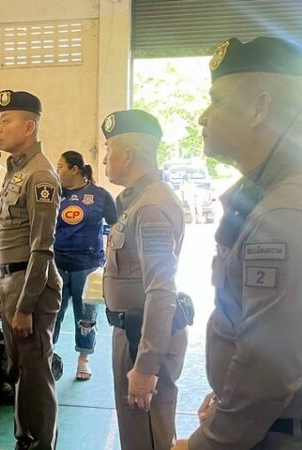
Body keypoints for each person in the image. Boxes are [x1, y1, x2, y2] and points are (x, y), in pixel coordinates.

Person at [173, 37, 302, 450]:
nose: (202, 116)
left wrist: (206, 443)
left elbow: (269, 367)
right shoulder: (261, 195)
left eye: (216, 101)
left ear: (259, 108)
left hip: (275, 433)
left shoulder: (283, 212)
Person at [101, 109, 187, 450]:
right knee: (136, 434)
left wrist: (146, 366)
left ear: (127, 155)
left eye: (108, 149)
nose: (104, 159)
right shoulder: (137, 200)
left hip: (142, 338)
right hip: (132, 332)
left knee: (146, 437)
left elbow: (161, 288)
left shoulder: (151, 207)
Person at [0, 90, 61, 450]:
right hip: (11, 280)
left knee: (34, 373)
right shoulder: (15, 170)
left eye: (5, 121)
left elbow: (41, 248)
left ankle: (41, 444)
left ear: (29, 127)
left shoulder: (39, 175)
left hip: (32, 286)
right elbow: (7, 236)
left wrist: (26, 306)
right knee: (18, 371)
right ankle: (25, 439)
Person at [52, 150, 117, 381]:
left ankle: (84, 358)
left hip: (88, 265)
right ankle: (48, 354)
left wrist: (110, 258)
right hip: (57, 263)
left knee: (86, 315)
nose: (57, 171)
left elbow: (115, 225)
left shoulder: (99, 195)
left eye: (60, 166)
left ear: (74, 169)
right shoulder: (54, 194)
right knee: (53, 313)